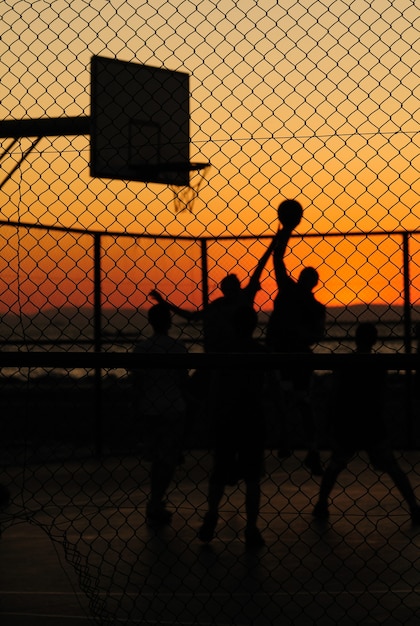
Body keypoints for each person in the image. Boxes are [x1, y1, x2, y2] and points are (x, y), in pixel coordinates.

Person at [312, 322, 420, 524]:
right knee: (392, 467)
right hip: (371, 421)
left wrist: (328, 423)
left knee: (336, 464)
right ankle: (413, 506)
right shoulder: (378, 364)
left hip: (350, 421)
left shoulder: (348, 363)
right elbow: (382, 395)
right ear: (375, 340)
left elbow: (335, 395)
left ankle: (321, 503)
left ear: (355, 339)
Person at [198, 305, 269, 549]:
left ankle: (212, 513)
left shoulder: (224, 351)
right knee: (252, 476)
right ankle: (251, 527)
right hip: (251, 417)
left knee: (220, 471)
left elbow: (215, 386)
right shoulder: (260, 352)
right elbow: (270, 389)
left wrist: (211, 415)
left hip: (227, 415)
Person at [266, 201, 326, 475]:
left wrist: (286, 231)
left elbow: (316, 334)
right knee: (291, 400)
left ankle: (301, 445)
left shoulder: (302, 299)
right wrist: (286, 231)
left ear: (309, 282)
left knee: (294, 400)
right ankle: (297, 443)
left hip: (288, 353)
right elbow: (278, 259)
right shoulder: (300, 297)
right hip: (287, 353)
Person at [149, 231, 280, 354]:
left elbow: (260, 266)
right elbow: (192, 317)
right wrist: (163, 302)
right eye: (226, 289)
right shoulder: (219, 304)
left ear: (237, 287)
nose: (229, 292)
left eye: (231, 289)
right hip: (223, 351)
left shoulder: (245, 296)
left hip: (238, 349)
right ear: (223, 290)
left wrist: (274, 243)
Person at [132, 302, 190, 526]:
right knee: (168, 458)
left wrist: (136, 408)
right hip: (173, 407)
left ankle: (155, 500)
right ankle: (156, 500)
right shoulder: (178, 347)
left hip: (150, 407)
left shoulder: (142, 348)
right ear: (169, 321)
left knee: (157, 457)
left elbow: (137, 383)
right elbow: (183, 381)